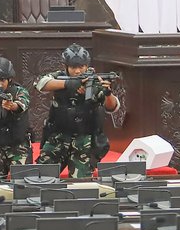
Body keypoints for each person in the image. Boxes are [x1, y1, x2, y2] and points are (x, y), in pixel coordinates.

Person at [34, 43, 120, 178]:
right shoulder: (59, 76)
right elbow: (40, 83)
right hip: (59, 137)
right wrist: (69, 84)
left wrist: (108, 93)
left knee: (81, 181)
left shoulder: (95, 80)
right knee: (41, 176)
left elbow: (112, 107)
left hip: (84, 140)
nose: (78, 71)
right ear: (66, 67)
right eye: (74, 67)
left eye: (81, 66)